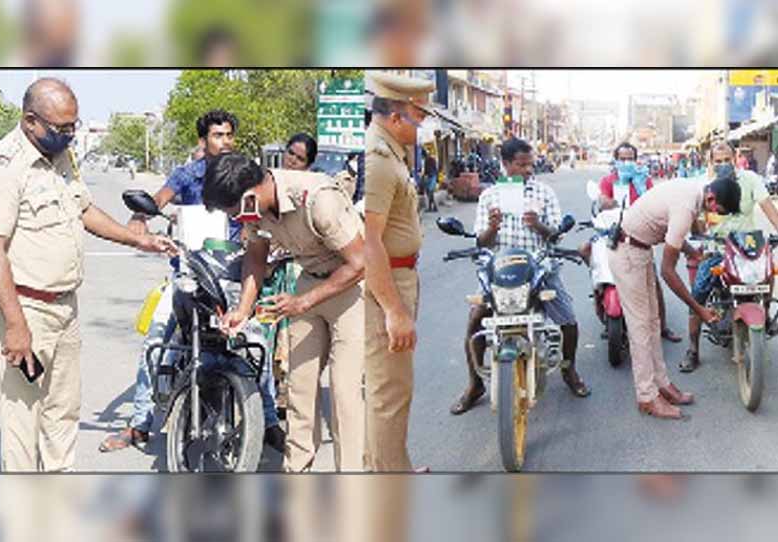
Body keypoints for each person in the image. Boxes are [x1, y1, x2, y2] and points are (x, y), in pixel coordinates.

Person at [0, 78, 175, 471]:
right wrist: (16, 326)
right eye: (61, 128)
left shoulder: (62, 156)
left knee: (62, 411)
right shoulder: (3, 166)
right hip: (23, 308)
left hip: (63, 307)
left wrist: (138, 240)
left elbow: (84, 210)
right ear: (31, 121)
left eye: (75, 126)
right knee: (23, 417)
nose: (71, 135)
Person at [96, 109, 283, 453]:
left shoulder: (246, 174)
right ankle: (140, 423)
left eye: (229, 135)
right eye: (217, 135)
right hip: (190, 273)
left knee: (258, 340)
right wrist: (139, 218)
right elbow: (159, 200)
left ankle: (268, 420)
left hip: (239, 275)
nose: (225, 142)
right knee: (157, 337)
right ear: (203, 140)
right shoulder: (187, 175)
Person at [202, 152, 365, 472]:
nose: (235, 220)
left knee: (344, 395)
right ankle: (297, 473)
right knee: (299, 390)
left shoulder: (319, 200)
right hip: (309, 281)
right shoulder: (257, 208)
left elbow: (359, 264)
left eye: (233, 212)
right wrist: (242, 311)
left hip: (352, 288)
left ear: (249, 196)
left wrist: (303, 302)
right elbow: (256, 256)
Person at [450, 136, 591, 416]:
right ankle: (475, 384)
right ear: (505, 164)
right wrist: (492, 227)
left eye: (531, 164)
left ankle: (568, 370)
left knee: (568, 321)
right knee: (476, 320)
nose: (528, 170)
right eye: (521, 164)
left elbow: (555, 233)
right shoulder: (490, 196)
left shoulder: (544, 193)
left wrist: (538, 225)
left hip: (539, 267)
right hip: (499, 270)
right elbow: (483, 242)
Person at [606, 171, 742, 419]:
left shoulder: (693, 192)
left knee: (653, 321)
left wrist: (693, 253)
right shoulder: (686, 207)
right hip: (627, 252)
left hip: (639, 248)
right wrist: (698, 309)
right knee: (640, 328)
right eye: (719, 210)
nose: (715, 215)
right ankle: (647, 397)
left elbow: (674, 236)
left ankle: (662, 384)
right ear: (711, 198)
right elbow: (669, 272)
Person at [364, 71, 435, 472]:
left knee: (388, 390)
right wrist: (393, 310)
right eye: (417, 118)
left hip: (399, 276)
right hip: (387, 282)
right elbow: (370, 239)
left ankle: (393, 467)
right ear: (395, 118)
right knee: (389, 393)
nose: (421, 127)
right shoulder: (378, 161)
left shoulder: (391, 155)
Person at [680, 141, 778, 372]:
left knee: (768, 274)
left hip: (748, 246)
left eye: (727, 159)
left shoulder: (751, 179)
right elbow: (698, 223)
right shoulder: (704, 186)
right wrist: (699, 230)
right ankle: (693, 349)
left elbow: (768, 209)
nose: (723, 164)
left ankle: (764, 312)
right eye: (718, 161)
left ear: (735, 158)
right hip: (717, 249)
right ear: (711, 162)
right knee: (698, 295)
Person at [578, 142, 682, 343]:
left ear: (636, 160)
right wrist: (604, 202)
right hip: (611, 233)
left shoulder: (643, 180)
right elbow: (600, 203)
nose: (626, 162)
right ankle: (601, 302)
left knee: (652, 280)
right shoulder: (608, 181)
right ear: (615, 160)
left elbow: (655, 204)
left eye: (630, 158)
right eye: (622, 158)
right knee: (586, 252)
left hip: (638, 235)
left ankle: (662, 327)